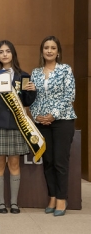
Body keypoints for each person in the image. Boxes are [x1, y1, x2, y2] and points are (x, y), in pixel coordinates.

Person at [0, 40, 36, 214]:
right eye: (1, 51)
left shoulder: (23, 76)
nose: (4, 54)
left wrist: (32, 90)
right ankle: (1, 203)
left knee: (15, 163)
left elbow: (26, 101)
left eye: (7, 51)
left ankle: (14, 203)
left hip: (16, 124)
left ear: (13, 54)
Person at [29, 36, 77, 216]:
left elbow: (69, 96)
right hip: (42, 122)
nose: (49, 51)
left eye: (53, 48)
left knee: (60, 161)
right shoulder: (35, 73)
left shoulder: (65, 70)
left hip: (63, 121)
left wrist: (53, 115)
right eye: (46, 48)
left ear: (58, 52)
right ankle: (52, 196)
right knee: (48, 161)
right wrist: (37, 116)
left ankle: (62, 199)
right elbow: (32, 98)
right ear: (42, 51)